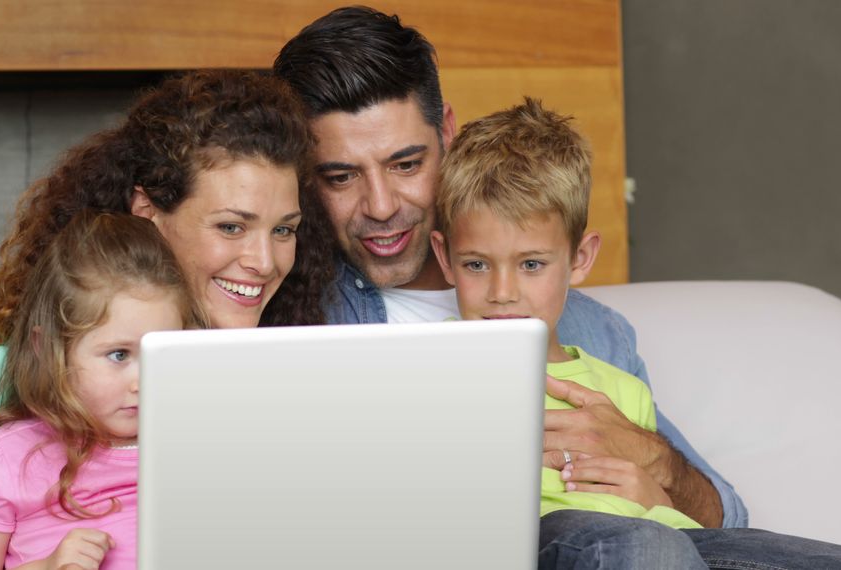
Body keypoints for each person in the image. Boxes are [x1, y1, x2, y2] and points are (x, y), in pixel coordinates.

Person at [0, 69, 335, 567]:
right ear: (148, 212)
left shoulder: (279, 368)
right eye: (231, 226)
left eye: (285, 230)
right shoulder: (2, 390)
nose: (265, 262)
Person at [272, 5, 736, 530]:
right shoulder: (288, 318)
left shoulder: (592, 329)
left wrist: (656, 464)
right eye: (340, 177)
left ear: (447, 132)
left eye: (406, 164)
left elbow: (728, 519)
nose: (380, 205)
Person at [431, 98, 841, 569]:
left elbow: (685, 522)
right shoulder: (436, 362)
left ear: (579, 260)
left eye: (532, 265)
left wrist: (657, 497)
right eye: (476, 264)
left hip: (666, 542)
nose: (503, 292)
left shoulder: (622, 388)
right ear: (446, 258)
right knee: (647, 546)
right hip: (543, 542)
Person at [0, 211, 203, 569]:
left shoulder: (196, 441)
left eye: (161, 351)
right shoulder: (5, 460)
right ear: (49, 349)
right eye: (118, 355)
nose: (144, 382)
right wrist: (46, 567)